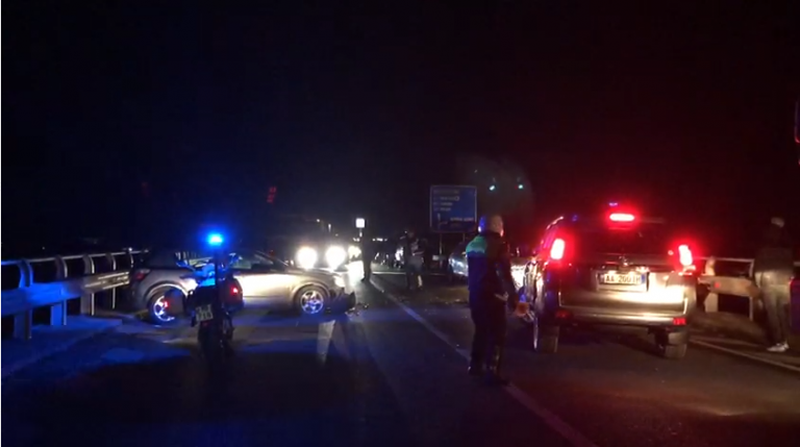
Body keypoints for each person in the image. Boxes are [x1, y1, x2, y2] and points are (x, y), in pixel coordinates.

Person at [466, 214, 523, 385]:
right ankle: (492, 371)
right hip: (493, 296)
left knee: (480, 330)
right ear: (498, 227)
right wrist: (513, 296)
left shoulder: (473, 244)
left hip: (475, 294)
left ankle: (475, 365)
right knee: (497, 333)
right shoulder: (499, 246)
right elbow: (504, 274)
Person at [752, 217, 795, 352]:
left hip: (768, 281)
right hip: (784, 281)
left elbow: (759, 264)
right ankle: (786, 340)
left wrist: (758, 282)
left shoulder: (765, 242)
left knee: (772, 313)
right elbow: (790, 264)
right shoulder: (787, 243)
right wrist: (789, 278)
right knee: (783, 312)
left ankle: (778, 341)